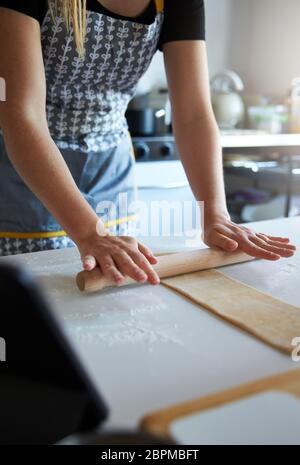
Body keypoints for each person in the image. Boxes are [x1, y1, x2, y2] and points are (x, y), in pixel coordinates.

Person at [0, 0, 296, 287]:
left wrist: (215, 215)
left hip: (109, 173)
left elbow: (193, 114)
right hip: (25, 171)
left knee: (108, 292)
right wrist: (90, 233)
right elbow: (21, 114)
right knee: (30, 303)